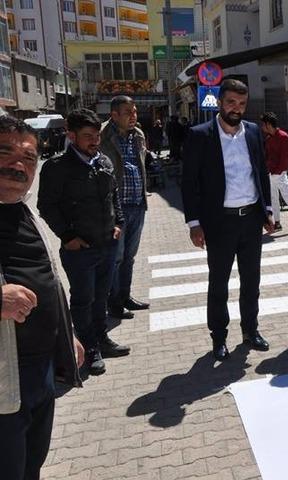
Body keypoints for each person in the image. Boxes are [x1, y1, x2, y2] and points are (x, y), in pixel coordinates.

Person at [0, 115, 84, 480]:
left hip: (38, 372)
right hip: (4, 380)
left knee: (30, 466)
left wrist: (69, 334)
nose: (18, 165)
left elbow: (49, 279)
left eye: (29, 158)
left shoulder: (22, 211)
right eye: (4, 152)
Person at [181, 79, 274, 361]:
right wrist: (194, 223)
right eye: (231, 102)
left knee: (251, 282)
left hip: (250, 220)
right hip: (219, 222)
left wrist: (267, 210)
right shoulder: (200, 135)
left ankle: (251, 331)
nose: (237, 109)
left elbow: (261, 172)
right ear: (220, 102)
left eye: (242, 104)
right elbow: (189, 183)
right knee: (219, 283)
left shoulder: (254, 132)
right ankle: (219, 338)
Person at [37, 108, 130, 376]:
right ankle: (88, 348)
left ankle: (102, 339)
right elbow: (47, 206)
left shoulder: (103, 162)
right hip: (80, 250)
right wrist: (68, 237)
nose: (94, 141)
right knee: (83, 299)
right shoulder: (57, 168)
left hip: (107, 244)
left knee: (101, 297)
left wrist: (119, 224)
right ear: (71, 136)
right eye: (87, 136)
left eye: (96, 136)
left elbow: (114, 198)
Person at [100, 95, 150, 321]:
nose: (133, 116)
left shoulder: (138, 135)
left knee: (129, 256)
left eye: (135, 111)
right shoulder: (103, 136)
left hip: (137, 204)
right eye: (128, 112)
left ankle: (125, 295)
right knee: (116, 257)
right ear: (114, 115)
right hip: (115, 208)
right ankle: (114, 303)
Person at [259, 112, 288, 232]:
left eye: (263, 125)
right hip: (271, 173)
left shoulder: (283, 136)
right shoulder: (269, 138)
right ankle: (277, 222)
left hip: (279, 173)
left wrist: (278, 171)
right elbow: (268, 156)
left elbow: (285, 157)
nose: (262, 127)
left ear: (269, 124)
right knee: (273, 198)